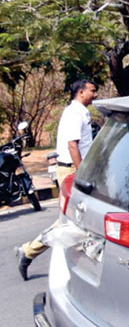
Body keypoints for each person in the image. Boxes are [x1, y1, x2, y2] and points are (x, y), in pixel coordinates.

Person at [15, 78, 97, 280]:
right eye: (92, 91)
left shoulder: (80, 112)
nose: (95, 95)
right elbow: (72, 146)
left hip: (74, 170)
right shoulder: (74, 114)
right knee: (68, 221)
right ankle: (28, 251)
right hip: (70, 171)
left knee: (78, 220)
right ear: (81, 92)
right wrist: (81, 173)